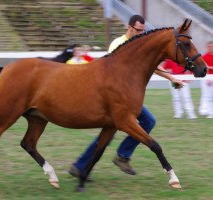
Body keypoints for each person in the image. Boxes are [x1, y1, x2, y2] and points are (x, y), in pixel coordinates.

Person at [68, 15, 184, 178]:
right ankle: (83, 165)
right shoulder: (118, 44)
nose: (140, 33)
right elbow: (110, 70)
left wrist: (171, 77)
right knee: (108, 134)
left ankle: (120, 156)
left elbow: (151, 66)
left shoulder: (139, 46)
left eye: (143, 31)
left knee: (147, 121)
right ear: (129, 27)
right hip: (114, 98)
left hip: (128, 98)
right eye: (138, 30)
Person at [199, 41, 213, 118]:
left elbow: (207, 67)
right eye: (209, 47)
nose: (211, 48)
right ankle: (208, 111)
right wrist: (207, 78)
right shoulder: (204, 57)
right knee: (208, 95)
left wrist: (209, 67)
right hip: (208, 78)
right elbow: (203, 68)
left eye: (212, 47)